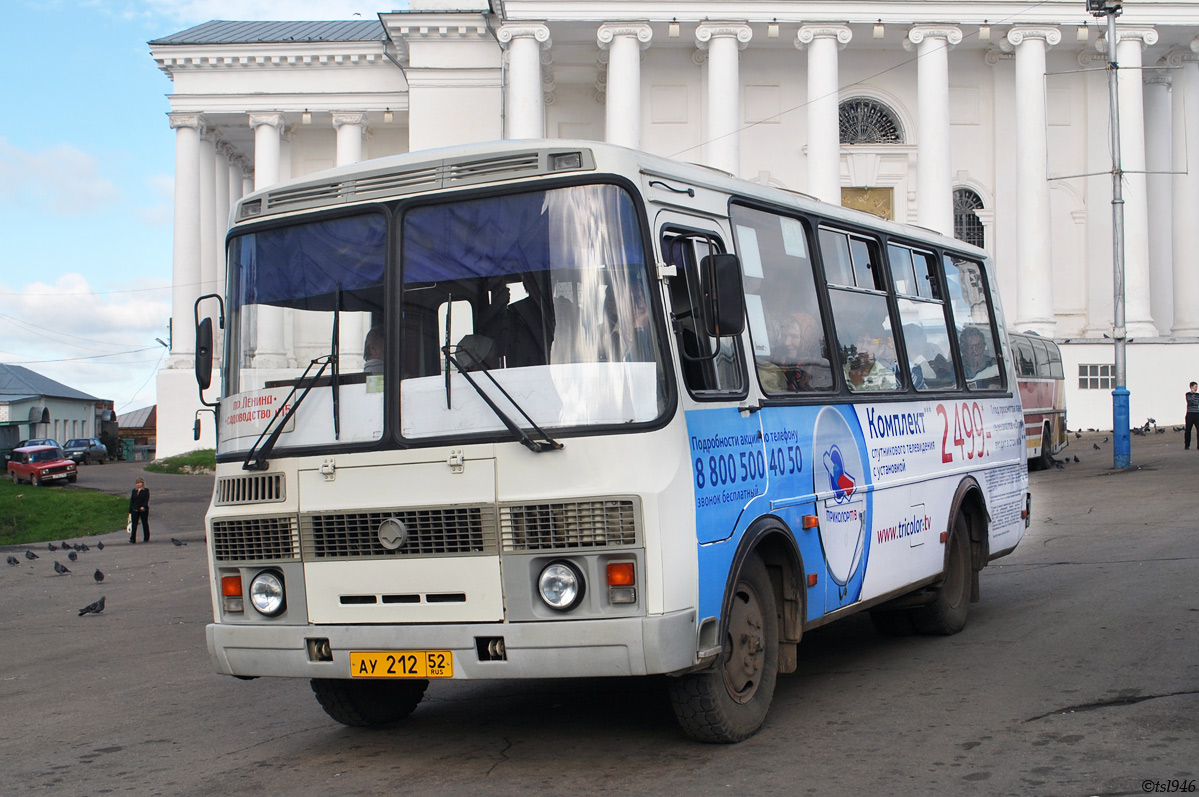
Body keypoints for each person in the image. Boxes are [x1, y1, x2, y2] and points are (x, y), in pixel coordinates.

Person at [129, 477, 150, 543]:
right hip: (135, 509)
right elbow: (132, 500)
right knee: (134, 524)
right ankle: (133, 538)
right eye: (137, 483)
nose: (138, 484)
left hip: (143, 510)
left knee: (144, 523)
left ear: (142, 483)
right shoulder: (134, 491)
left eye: (139, 483)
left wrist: (143, 506)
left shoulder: (145, 490)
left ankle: (146, 537)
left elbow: (146, 500)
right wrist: (130, 510)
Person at [1185, 382, 1199, 450]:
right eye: (1195, 386)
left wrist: (1194, 395)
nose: (1196, 388)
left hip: (1196, 414)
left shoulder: (1198, 395)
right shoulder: (1188, 394)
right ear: (1191, 387)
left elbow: (1196, 402)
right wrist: (1193, 394)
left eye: (1197, 386)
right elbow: (1190, 401)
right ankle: (1187, 445)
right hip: (1190, 414)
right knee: (1188, 430)